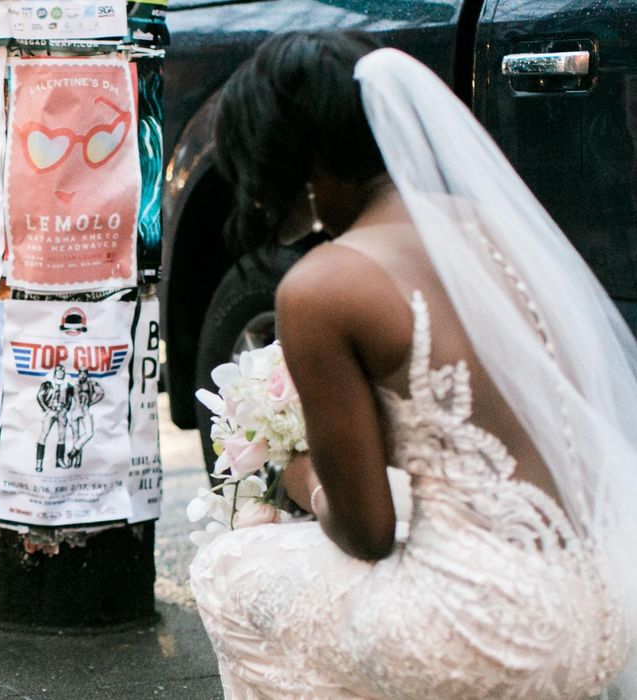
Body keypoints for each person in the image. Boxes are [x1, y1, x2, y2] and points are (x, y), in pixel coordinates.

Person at [188, 31, 636, 698]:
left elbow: (367, 533)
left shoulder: (320, 287)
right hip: (606, 603)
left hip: (488, 627)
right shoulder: (492, 227)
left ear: (298, 160)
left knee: (229, 568)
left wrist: (300, 475)